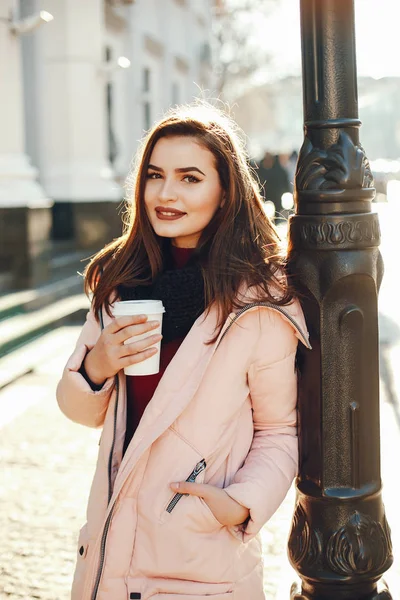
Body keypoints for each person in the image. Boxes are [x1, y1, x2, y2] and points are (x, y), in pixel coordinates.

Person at [56, 102, 310, 600]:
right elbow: (79, 410)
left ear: (224, 192)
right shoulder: (121, 280)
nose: (166, 194)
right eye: (155, 175)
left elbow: (280, 430)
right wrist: (98, 365)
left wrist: (238, 504)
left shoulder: (258, 298)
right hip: (107, 557)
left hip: (202, 565)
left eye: (190, 178)